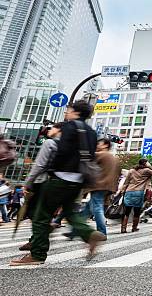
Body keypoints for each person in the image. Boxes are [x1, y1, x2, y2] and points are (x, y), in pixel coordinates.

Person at [10, 100, 105, 266]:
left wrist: (32, 181)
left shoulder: (69, 127)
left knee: (41, 217)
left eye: (68, 109)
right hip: (78, 181)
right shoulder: (91, 132)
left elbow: (60, 154)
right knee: (70, 213)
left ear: (75, 111)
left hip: (59, 178)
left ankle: (37, 254)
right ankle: (89, 234)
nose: (65, 112)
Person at [66, 138, 120, 239]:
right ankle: (75, 230)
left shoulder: (100, 155)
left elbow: (85, 159)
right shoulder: (114, 158)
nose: (97, 145)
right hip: (108, 186)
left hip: (99, 185)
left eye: (99, 143)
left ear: (105, 145)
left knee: (97, 208)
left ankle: (102, 232)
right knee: (87, 209)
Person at [121, 158, 152, 233]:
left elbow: (126, 182)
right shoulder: (146, 171)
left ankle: (123, 228)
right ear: (145, 163)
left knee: (127, 211)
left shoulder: (131, 171)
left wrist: (122, 191)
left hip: (129, 191)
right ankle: (134, 227)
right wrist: (150, 166)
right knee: (137, 211)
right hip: (138, 192)